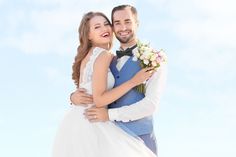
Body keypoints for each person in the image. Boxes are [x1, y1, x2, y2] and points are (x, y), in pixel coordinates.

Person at [52, 11, 157, 157]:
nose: (104, 29)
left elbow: (83, 92)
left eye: (106, 24)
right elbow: (99, 99)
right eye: (97, 27)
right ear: (88, 35)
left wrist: (72, 97)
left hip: (75, 121)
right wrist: (133, 82)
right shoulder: (103, 55)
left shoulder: (86, 57)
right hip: (93, 120)